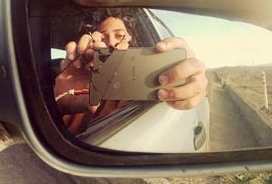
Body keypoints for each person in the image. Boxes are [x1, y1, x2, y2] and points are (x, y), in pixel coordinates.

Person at [54, 13, 208, 135]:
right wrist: (61, 102)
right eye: (102, 37)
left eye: (119, 35)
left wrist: (189, 81)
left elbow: (174, 91)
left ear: (132, 43)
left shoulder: (145, 87)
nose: (111, 43)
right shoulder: (83, 86)